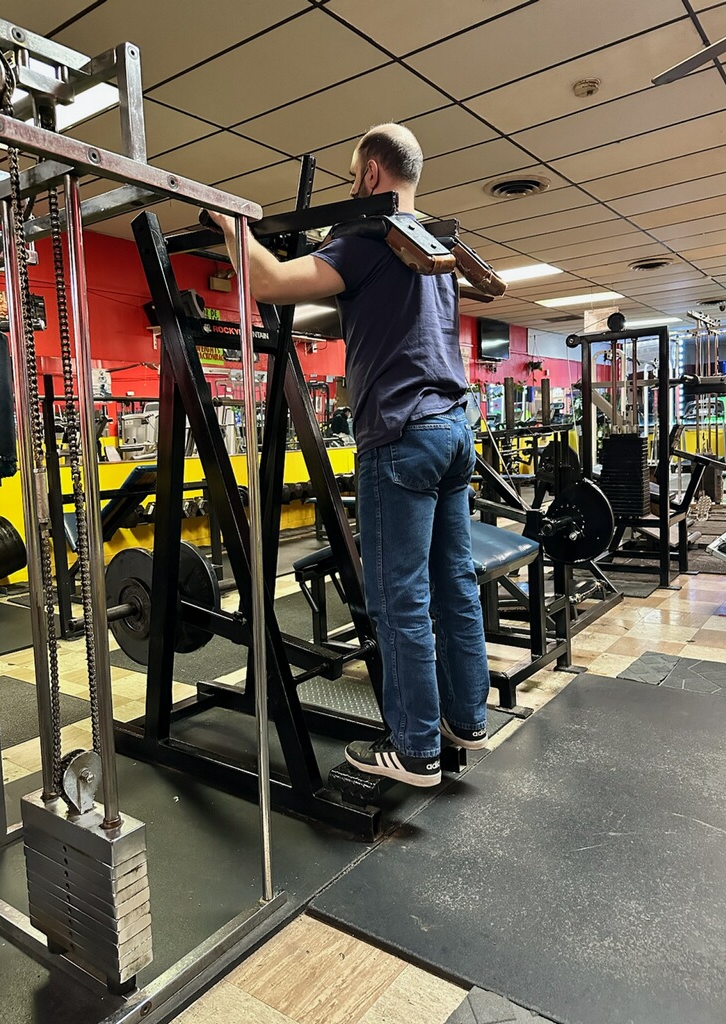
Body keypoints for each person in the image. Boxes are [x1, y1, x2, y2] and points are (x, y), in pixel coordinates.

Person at [210, 123, 490, 788]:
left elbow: (269, 282)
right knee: (454, 585)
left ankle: (416, 748)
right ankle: (467, 719)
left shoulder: (369, 236)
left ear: (368, 175)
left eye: (351, 176)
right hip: (454, 428)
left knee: (399, 598)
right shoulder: (436, 247)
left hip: (401, 434)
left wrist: (229, 225)